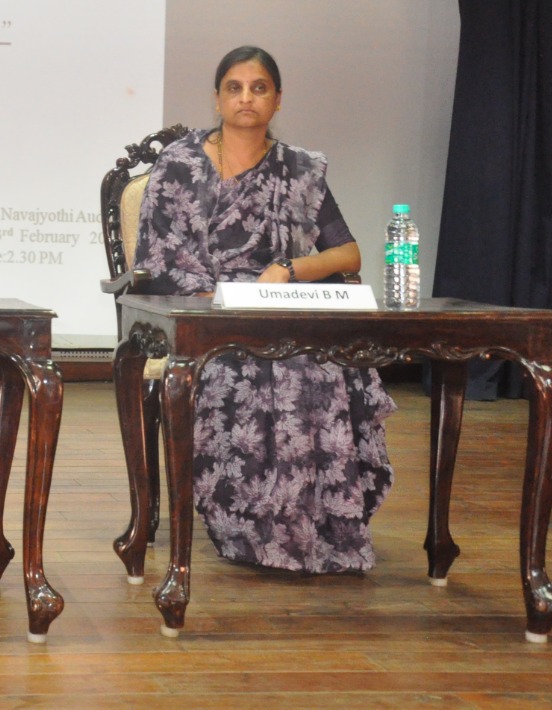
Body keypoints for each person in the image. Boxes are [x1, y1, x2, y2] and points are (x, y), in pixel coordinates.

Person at [133, 45, 395, 574]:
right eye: (235, 87)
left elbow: (348, 252)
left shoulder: (298, 170)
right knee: (260, 367)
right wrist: (222, 298)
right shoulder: (179, 165)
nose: (246, 97)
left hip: (282, 307)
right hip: (209, 317)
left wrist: (289, 272)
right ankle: (249, 525)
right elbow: (157, 260)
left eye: (259, 88)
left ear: (277, 101)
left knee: (323, 362)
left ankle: (322, 528)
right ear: (217, 98)